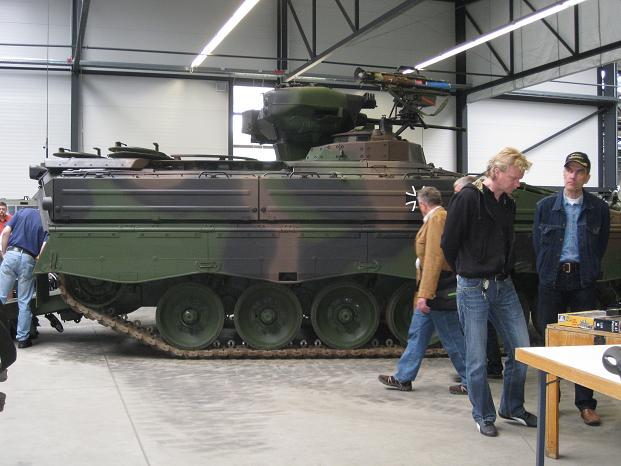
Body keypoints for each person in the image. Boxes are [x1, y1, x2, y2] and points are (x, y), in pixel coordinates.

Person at [441, 147, 537, 437]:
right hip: (473, 287)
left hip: (503, 285)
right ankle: (483, 414)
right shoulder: (468, 198)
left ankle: (512, 407)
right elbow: (448, 242)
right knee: (477, 359)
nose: (518, 183)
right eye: (514, 178)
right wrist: (466, 269)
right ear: (496, 172)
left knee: (522, 351)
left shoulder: (508, 202)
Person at [533, 152, 609, 427]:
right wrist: (546, 271)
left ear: (587, 177)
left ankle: (585, 404)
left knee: (584, 343)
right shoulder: (545, 206)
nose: (573, 176)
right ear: (563, 173)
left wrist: (589, 271)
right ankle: (550, 399)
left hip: (582, 281)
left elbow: (600, 246)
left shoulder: (598, 208)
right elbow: (537, 244)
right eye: (569, 170)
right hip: (552, 281)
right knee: (549, 342)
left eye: (579, 172)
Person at [378, 186, 468, 395]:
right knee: (417, 334)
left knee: (452, 337)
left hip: (437, 289)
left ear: (423, 204)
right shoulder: (437, 218)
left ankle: (471, 381)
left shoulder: (437, 219)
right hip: (432, 288)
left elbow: (434, 259)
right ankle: (403, 377)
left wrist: (425, 294)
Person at [454, 176, 504, 380]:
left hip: (478, 280)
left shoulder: (479, 209)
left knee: (478, 328)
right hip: (474, 278)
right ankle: (484, 368)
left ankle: (480, 372)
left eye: (459, 194)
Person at [0, 208, 48, 348]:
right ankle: (22, 339)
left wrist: (4, 253)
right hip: (28, 259)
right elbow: (45, 245)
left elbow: (5, 232)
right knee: (24, 302)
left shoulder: (22, 212)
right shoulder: (46, 221)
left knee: (1, 297)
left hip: (11, 254)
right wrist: (38, 259)